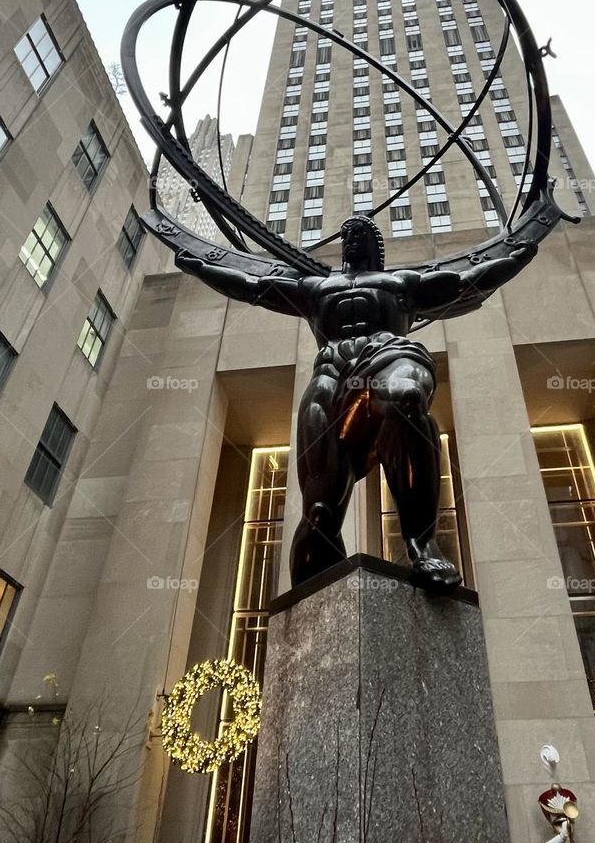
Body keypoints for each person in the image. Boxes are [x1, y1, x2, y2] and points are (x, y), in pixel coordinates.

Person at [176, 215, 536, 588]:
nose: (351, 238)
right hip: (330, 378)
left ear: (375, 246)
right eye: (346, 233)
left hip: (387, 356)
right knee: (320, 512)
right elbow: (253, 287)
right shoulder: (315, 288)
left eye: (360, 234)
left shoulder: (401, 283)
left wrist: (518, 258)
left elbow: (466, 282)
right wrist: (200, 268)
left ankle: (422, 543)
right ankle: (315, 592)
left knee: (407, 397)